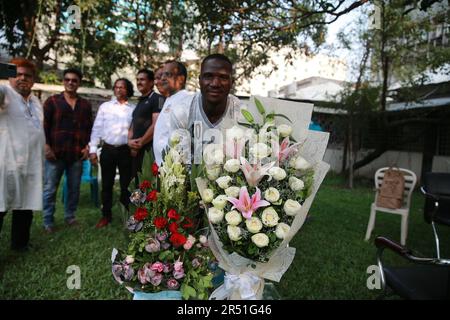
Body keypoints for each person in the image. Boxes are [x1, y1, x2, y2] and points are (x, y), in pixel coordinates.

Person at [0, 58, 44, 251]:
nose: (22, 78)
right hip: (6, 164)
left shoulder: (36, 102)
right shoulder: (6, 95)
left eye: (27, 75)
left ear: (33, 80)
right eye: (17, 74)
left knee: (26, 207)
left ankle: (20, 244)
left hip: (31, 165)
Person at [42, 68, 93, 233]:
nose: (70, 82)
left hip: (77, 154)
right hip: (55, 154)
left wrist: (87, 147)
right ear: (63, 81)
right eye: (67, 80)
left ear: (79, 83)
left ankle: (70, 216)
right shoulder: (52, 101)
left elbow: (89, 128)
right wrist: (46, 146)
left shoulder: (85, 105)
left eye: (74, 80)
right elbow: (43, 126)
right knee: (50, 189)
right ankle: (48, 221)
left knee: (74, 188)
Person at [169, 54, 241, 157]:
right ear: (199, 80)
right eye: (208, 76)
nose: (215, 84)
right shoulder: (182, 111)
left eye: (223, 77)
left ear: (232, 82)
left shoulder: (241, 113)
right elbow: (178, 162)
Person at [89, 78, 135, 228]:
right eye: (116, 87)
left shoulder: (133, 109)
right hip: (108, 149)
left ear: (128, 89)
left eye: (122, 87)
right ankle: (106, 216)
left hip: (125, 151)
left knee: (126, 185)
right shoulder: (105, 107)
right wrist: (93, 150)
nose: (119, 90)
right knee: (107, 184)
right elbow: (96, 129)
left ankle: (126, 215)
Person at [128, 69, 165, 186]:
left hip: (149, 151)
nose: (139, 82)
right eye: (137, 80)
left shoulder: (157, 98)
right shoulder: (140, 101)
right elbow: (133, 124)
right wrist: (129, 142)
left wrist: (140, 143)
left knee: (147, 185)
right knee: (136, 184)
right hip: (136, 151)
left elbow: (156, 124)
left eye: (142, 79)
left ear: (151, 82)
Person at [152, 60, 193, 165]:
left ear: (181, 79)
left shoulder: (186, 99)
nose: (162, 78)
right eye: (162, 75)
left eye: (168, 74)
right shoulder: (169, 98)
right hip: (163, 166)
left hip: (176, 168)